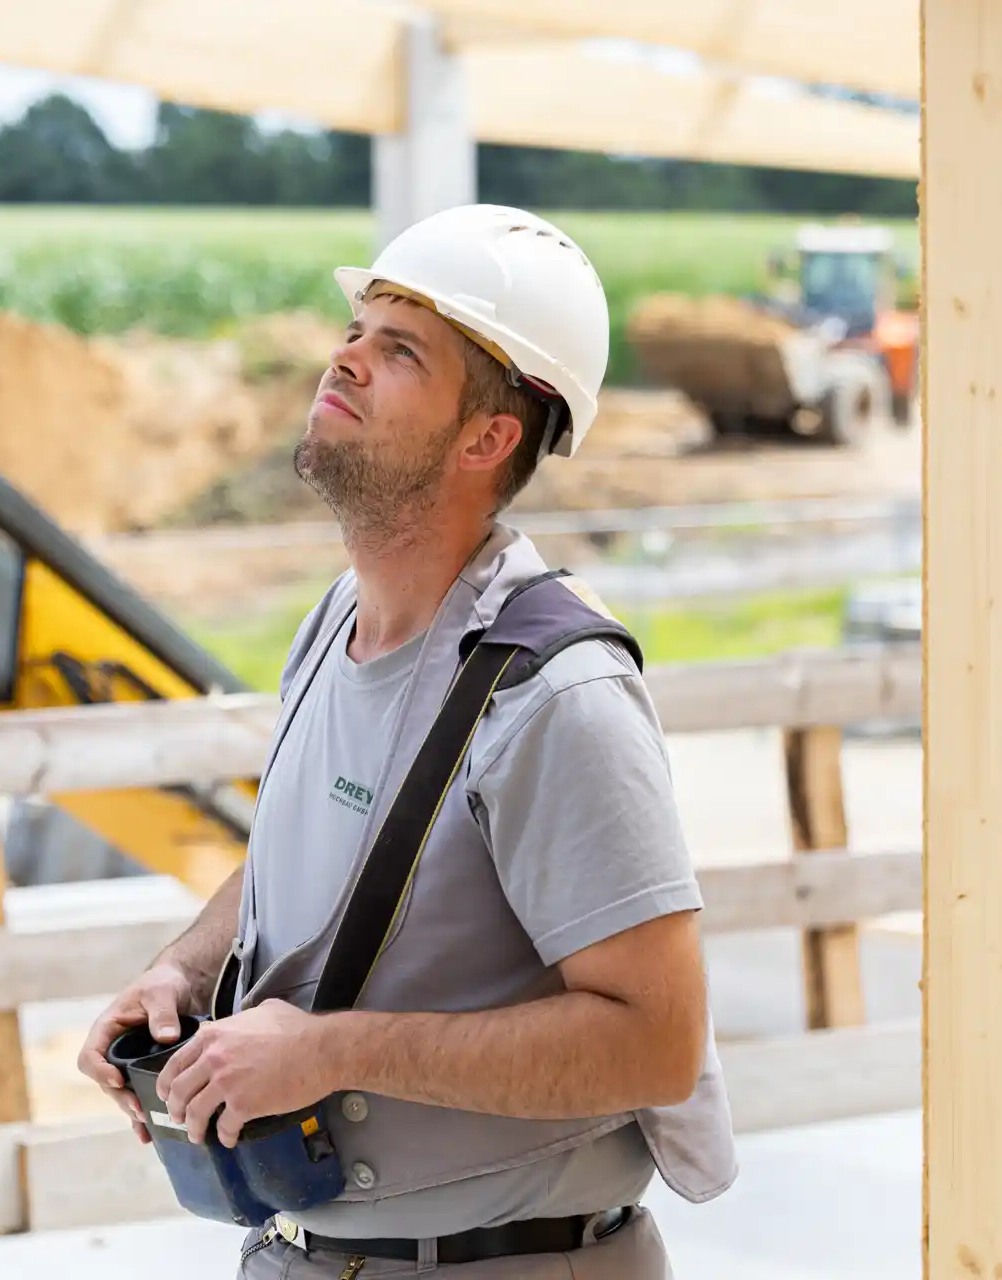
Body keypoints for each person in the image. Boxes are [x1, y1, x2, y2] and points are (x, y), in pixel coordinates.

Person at [78, 204, 736, 1277]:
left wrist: (328, 1052)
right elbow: (313, 853)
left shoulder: (554, 692)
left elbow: (654, 1040)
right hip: (303, 1248)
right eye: (357, 327)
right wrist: (179, 972)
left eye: (400, 351)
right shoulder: (338, 618)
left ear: (487, 438)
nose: (346, 358)